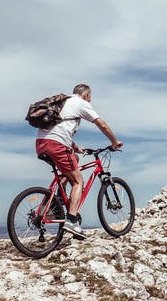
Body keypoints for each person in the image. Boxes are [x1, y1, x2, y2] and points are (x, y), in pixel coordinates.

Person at [35, 83, 123, 240]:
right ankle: (72, 220)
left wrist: (75, 147)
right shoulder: (81, 103)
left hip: (42, 144)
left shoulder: (62, 102)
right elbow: (101, 124)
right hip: (57, 145)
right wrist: (114, 141)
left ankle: (59, 200)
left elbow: (59, 130)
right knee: (78, 181)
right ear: (87, 95)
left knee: (73, 160)